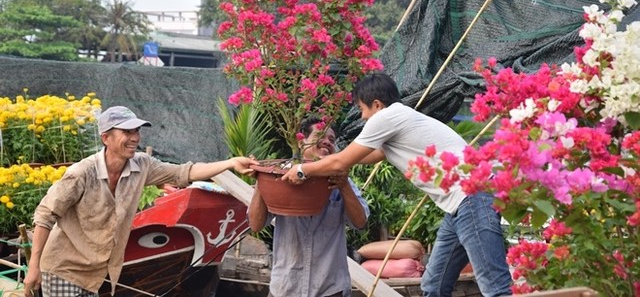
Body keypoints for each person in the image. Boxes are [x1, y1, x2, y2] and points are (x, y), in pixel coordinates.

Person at [282, 73, 512, 297]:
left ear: (376, 104)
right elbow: (370, 155)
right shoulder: (401, 119)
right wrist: (327, 159)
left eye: (362, 109)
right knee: (434, 285)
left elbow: (342, 161)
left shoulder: (386, 117)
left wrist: (302, 169)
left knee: (495, 288)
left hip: (472, 197)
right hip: (459, 206)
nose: (362, 117)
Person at [23, 105, 257, 297]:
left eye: (136, 131)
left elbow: (184, 172)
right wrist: (34, 268)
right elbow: (45, 215)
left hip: (96, 275)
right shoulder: (82, 173)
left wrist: (230, 163)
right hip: (64, 268)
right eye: (127, 132)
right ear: (106, 138)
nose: (135, 138)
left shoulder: (142, 165)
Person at [248, 116, 369, 297]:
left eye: (332, 140)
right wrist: (262, 179)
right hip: (286, 288)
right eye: (320, 136)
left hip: (330, 289)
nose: (327, 142)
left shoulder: (342, 181)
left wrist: (344, 186)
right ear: (301, 141)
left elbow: (360, 222)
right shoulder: (281, 177)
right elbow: (255, 225)